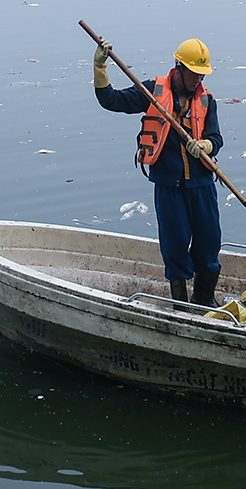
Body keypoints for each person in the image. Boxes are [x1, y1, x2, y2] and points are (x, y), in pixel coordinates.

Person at [95, 36, 224, 307]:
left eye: (202, 74)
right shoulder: (153, 92)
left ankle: (204, 299)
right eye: (194, 73)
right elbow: (111, 100)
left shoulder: (206, 100)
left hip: (202, 185)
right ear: (179, 67)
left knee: (209, 241)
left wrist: (205, 144)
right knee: (175, 245)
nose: (198, 80)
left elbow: (217, 139)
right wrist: (100, 68)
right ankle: (181, 305)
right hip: (170, 187)